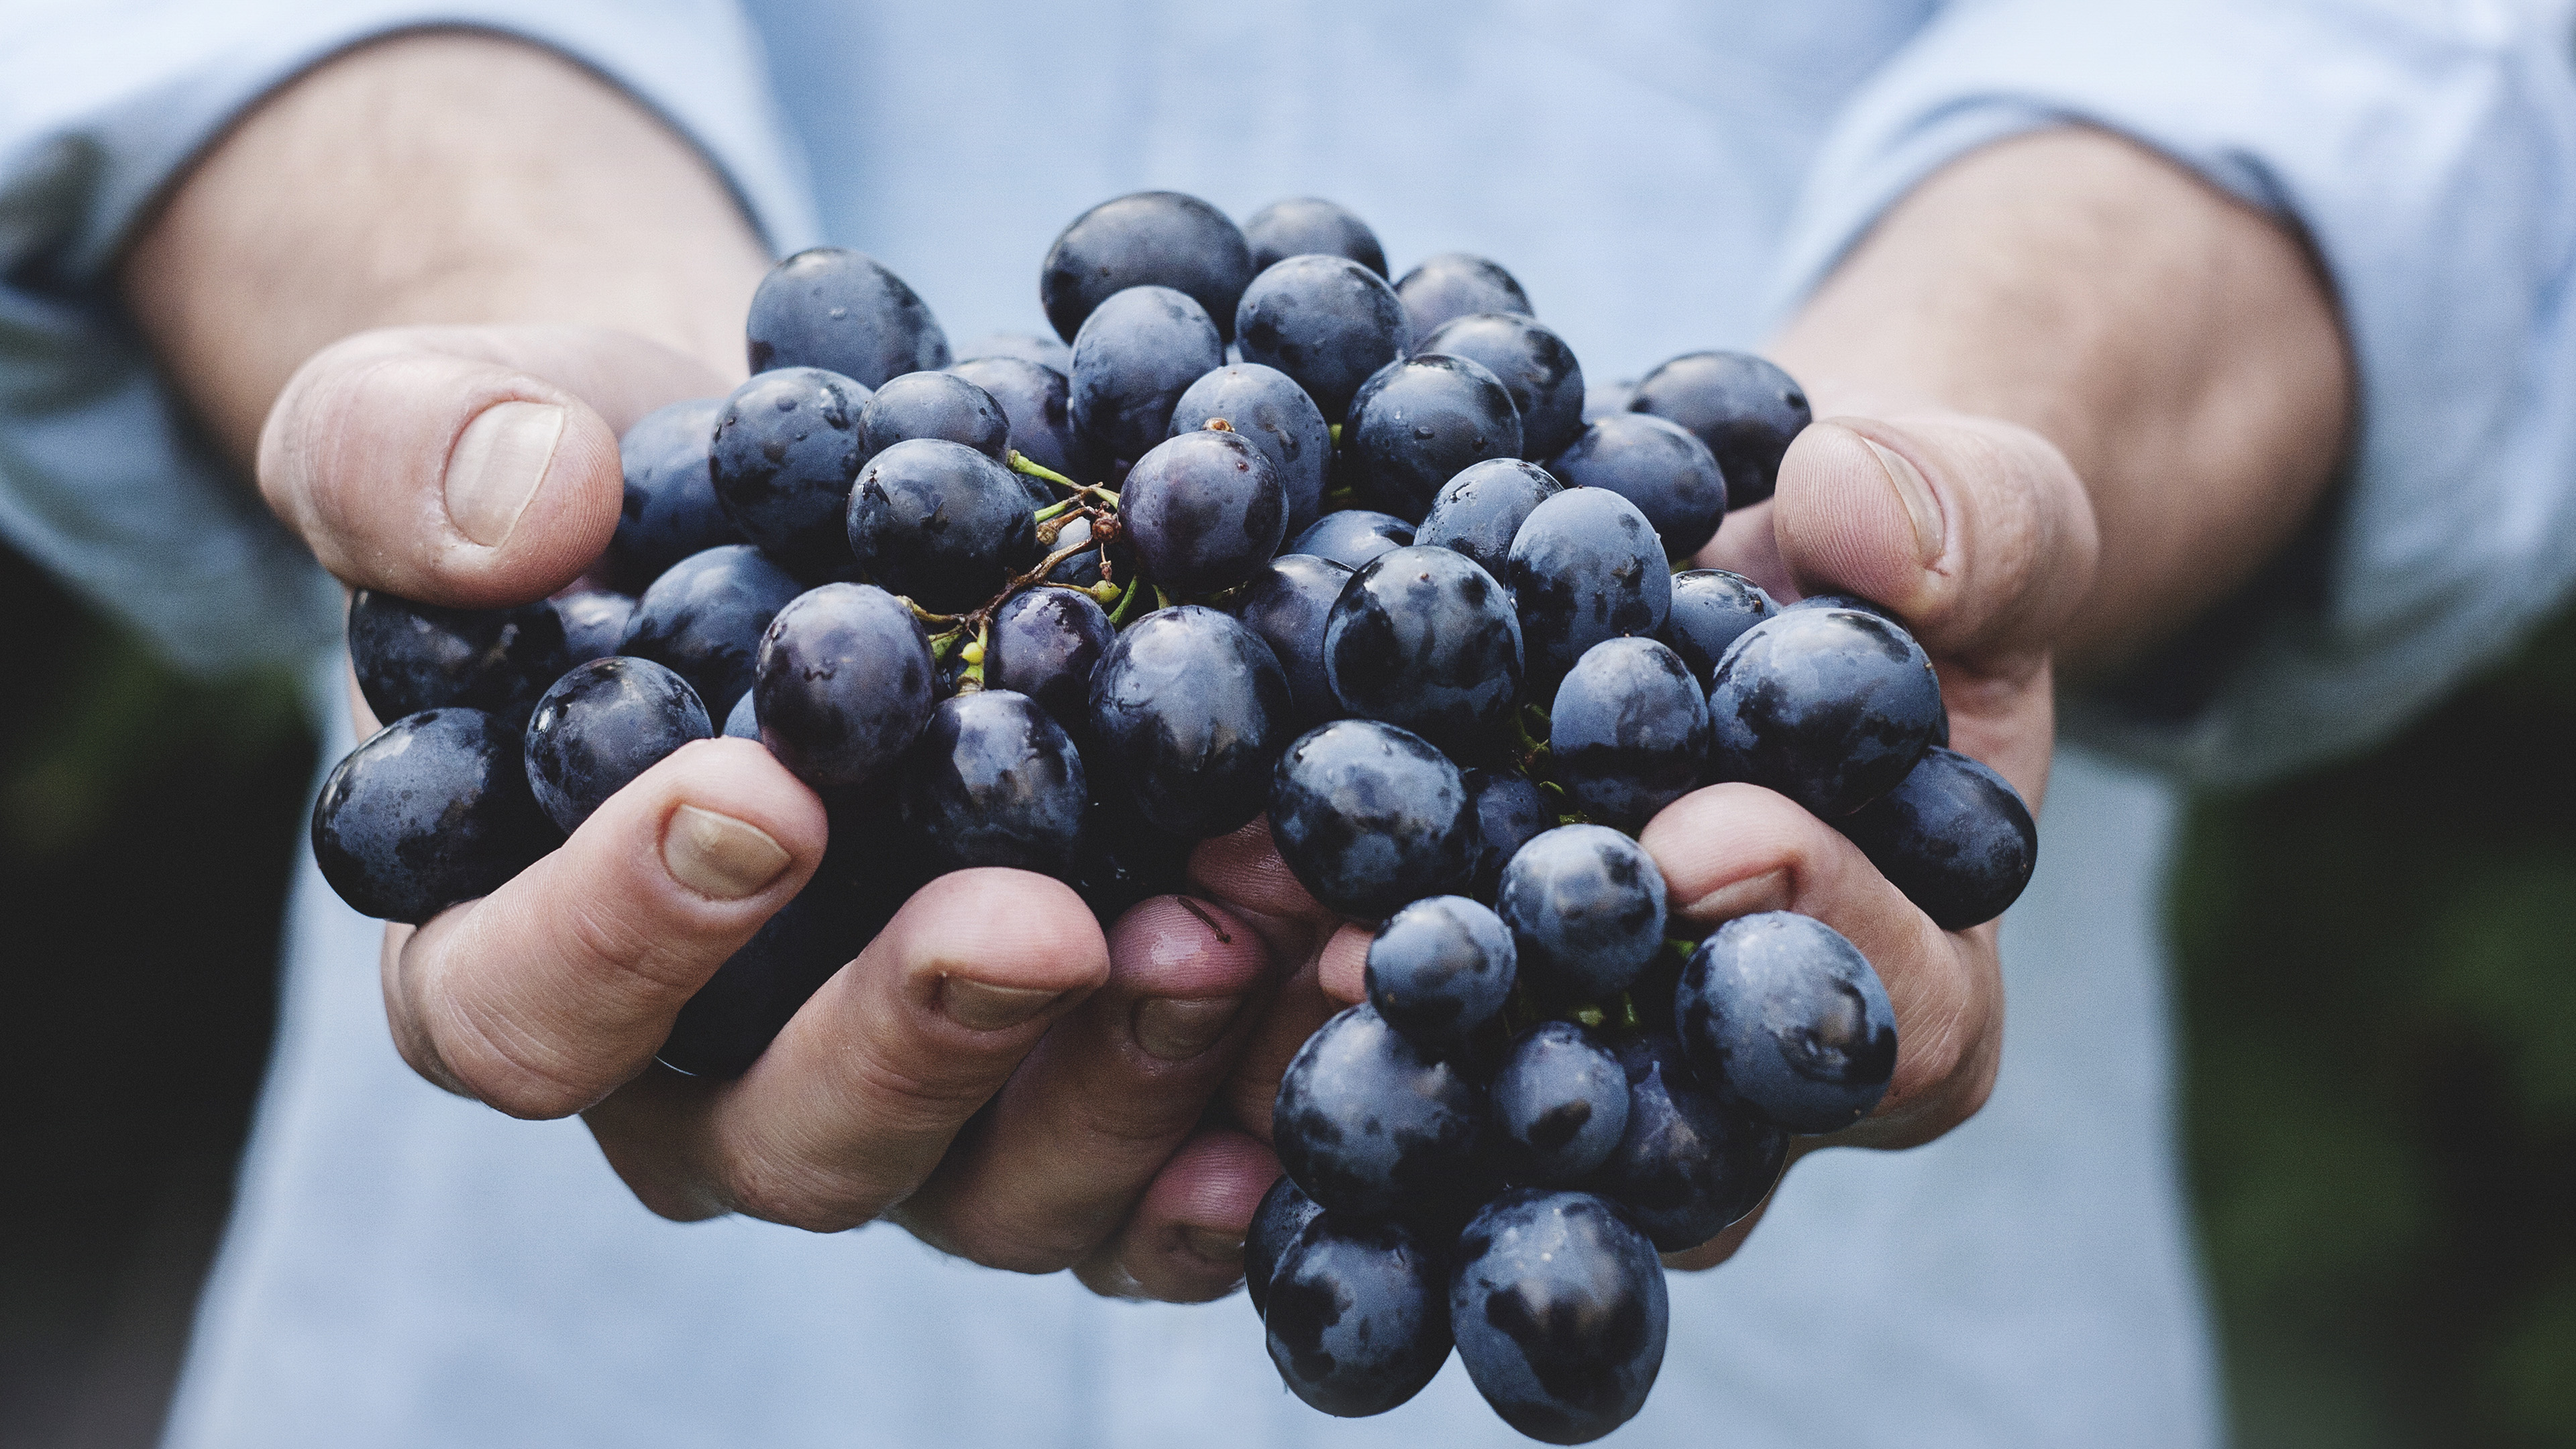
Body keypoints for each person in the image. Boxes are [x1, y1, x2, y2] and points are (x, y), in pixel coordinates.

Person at [5, 3, 2573, 1444]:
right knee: (745, 853)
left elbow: (2407, 65)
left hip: (1804, 1170)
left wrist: (1971, 430)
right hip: (569, 1313)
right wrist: (495, 305)